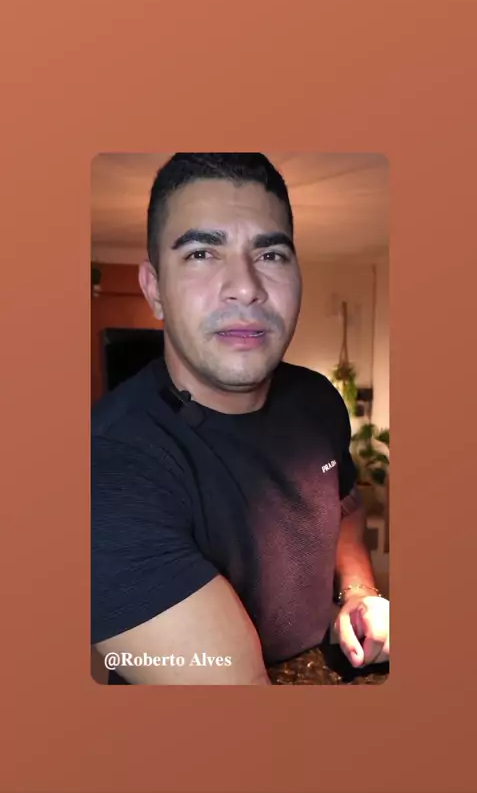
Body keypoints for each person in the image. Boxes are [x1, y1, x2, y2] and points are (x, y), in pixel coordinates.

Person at [91, 152, 389, 685]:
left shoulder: (317, 399)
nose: (246, 286)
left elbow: (344, 504)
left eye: (270, 254)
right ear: (154, 288)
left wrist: (358, 592)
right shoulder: (107, 468)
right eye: (202, 253)